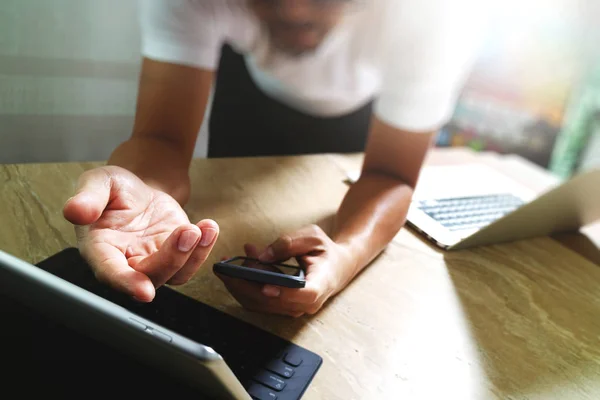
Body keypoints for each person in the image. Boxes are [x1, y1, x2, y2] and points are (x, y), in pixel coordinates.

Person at [62, 0, 483, 317]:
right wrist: (140, 196)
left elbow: (391, 174)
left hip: (363, 106)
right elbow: (161, 139)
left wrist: (345, 255)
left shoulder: (437, 16)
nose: (293, 7)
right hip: (249, 87)